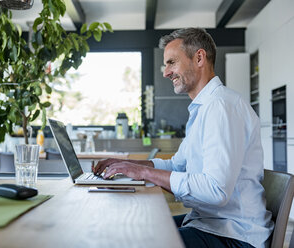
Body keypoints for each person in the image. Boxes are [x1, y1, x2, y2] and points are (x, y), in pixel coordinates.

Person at [93, 28, 274, 248]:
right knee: (134, 229)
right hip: (209, 223)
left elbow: (216, 190)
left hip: (235, 235)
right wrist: (128, 165)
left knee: (136, 240)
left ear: (199, 58)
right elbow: (178, 165)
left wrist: (143, 172)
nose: (165, 72)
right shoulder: (204, 108)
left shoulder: (220, 106)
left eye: (172, 62)